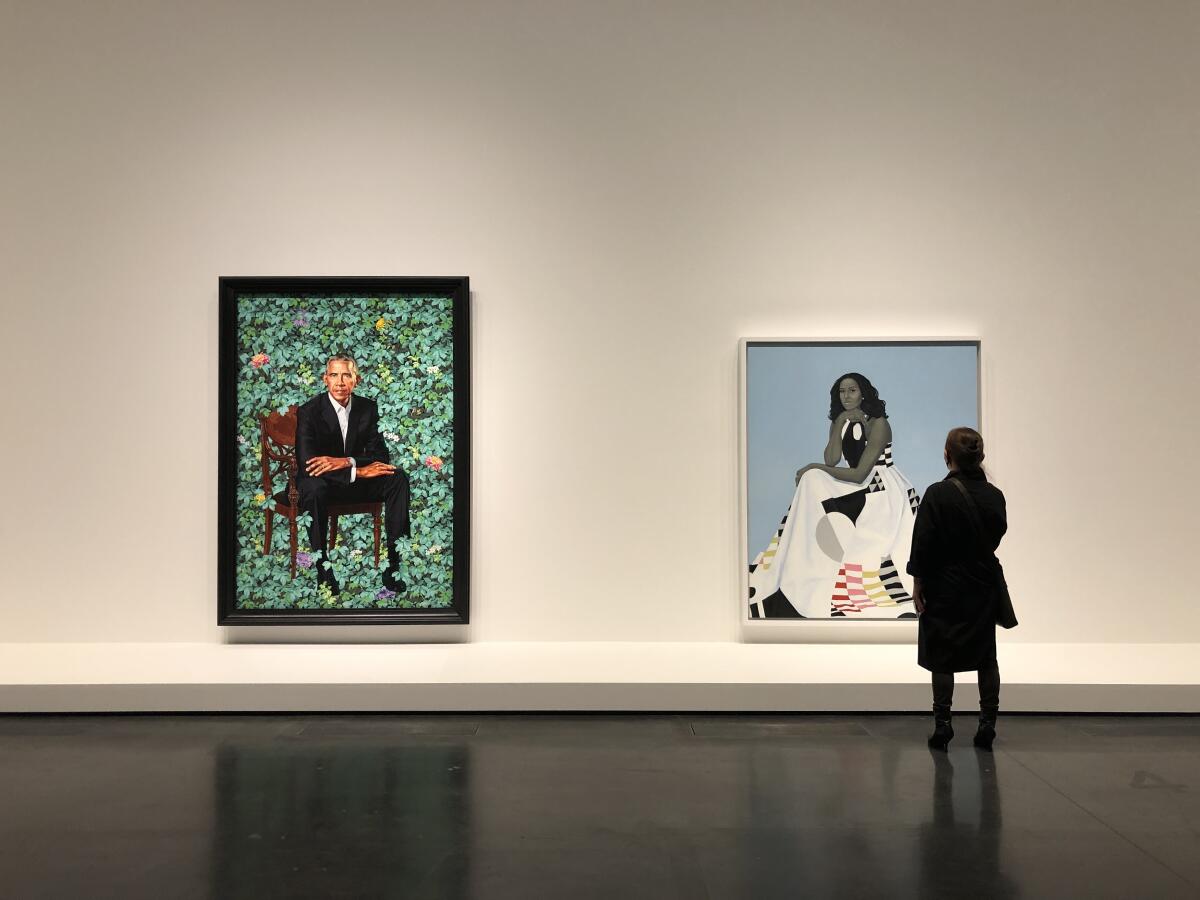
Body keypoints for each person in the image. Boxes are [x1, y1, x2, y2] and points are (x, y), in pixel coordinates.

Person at [748, 373, 921, 618]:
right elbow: (832, 459)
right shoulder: (840, 421)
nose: (847, 396)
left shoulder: (878, 423)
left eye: (852, 390)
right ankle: (799, 558)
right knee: (811, 480)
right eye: (842, 391)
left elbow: (861, 473)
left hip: (881, 487)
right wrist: (839, 424)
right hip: (856, 482)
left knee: (813, 475)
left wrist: (814, 467)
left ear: (863, 393)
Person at [909, 427, 1007, 750]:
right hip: (982, 585)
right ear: (981, 457)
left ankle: (943, 725)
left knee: (942, 656)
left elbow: (922, 543)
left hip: (945, 586)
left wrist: (918, 581)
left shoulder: (937, 494)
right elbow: (996, 535)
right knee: (986, 655)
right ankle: (987, 723)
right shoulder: (995, 497)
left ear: (947, 455)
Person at [296, 353, 409, 596]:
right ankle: (323, 570)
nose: (340, 382)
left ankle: (393, 565)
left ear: (355, 380)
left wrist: (346, 462)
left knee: (397, 477)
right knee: (314, 487)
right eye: (334, 375)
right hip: (322, 484)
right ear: (325, 379)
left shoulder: (368, 408)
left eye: (346, 375)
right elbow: (309, 463)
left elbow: (380, 456)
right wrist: (358, 471)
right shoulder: (309, 411)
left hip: (354, 481)